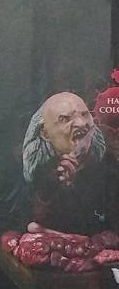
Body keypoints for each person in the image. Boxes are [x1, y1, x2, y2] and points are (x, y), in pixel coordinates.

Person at [22, 92, 118, 234]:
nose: (81, 123)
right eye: (65, 119)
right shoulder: (41, 173)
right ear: (45, 132)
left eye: (85, 114)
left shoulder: (109, 167)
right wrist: (51, 187)